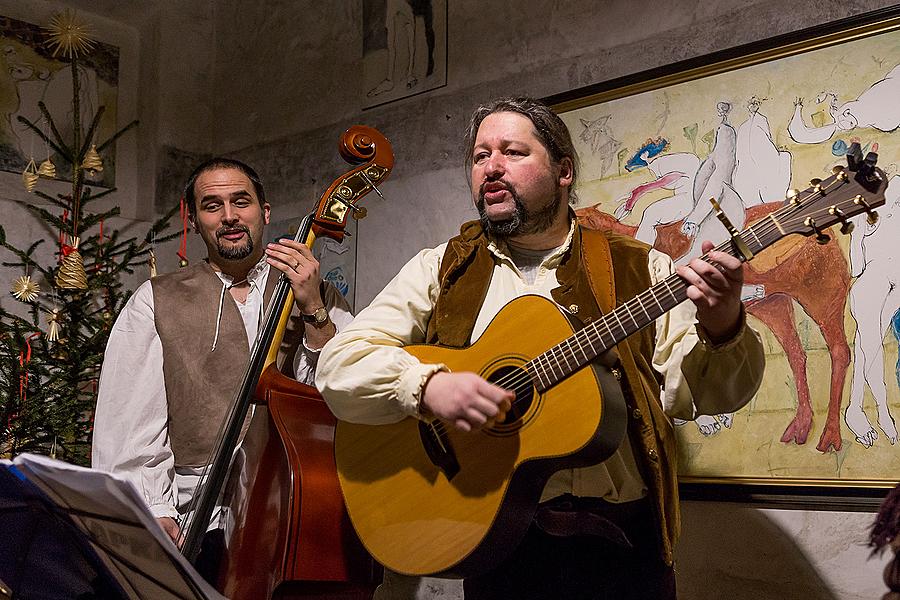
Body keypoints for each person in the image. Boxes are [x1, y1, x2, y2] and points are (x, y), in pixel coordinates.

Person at [316, 97, 765, 599]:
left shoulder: (644, 270)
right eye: (480, 155)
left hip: (622, 546)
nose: (491, 167)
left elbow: (704, 395)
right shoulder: (441, 268)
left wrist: (723, 322)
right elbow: (339, 365)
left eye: (512, 152)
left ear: (564, 170)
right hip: (497, 543)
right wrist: (424, 386)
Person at [92, 157, 353, 545]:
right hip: (198, 514)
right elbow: (130, 425)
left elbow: (345, 394)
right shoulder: (155, 301)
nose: (229, 216)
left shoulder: (315, 292)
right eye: (212, 206)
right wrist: (154, 510)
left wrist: (313, 309)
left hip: (296, 500)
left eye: (241, 202)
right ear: (194, 222)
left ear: (264, 213)